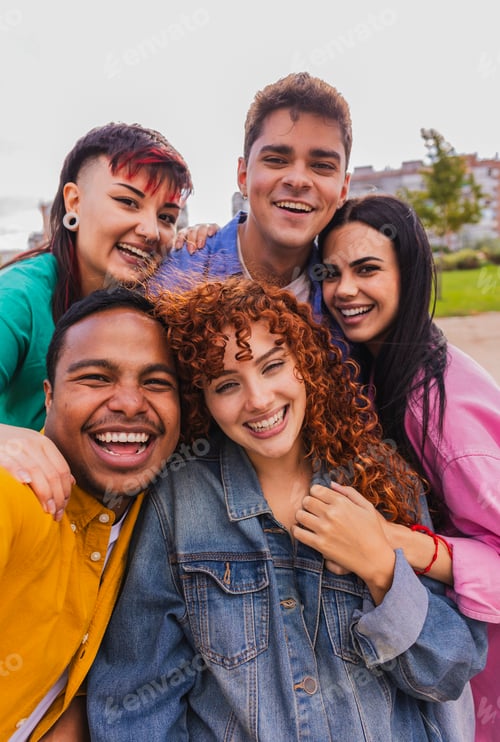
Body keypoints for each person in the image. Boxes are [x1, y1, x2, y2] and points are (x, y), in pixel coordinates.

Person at [88, 277, 486, 741]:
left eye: (272, 365)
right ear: (202, 399)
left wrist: (381, 570)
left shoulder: (380, 475)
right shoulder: (175, 504)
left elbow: (448, 671)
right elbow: (137, 701)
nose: (258, 400)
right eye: (226, 384)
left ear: (306, 364)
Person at [317, 193, 500, 742]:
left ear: (410, 274)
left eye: (367, 269)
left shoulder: (443, 416)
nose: (344, 289)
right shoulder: (385, 368)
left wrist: (399, 543)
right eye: (331, 272)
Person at [0, 287, 180, 741]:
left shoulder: (153, 511)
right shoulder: (14, 494)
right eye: (97, 378)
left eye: (157, 383)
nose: (129, 403)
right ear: (49, 396)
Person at [0, 121, 192, 514]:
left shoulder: (154, 305)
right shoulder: (18, 298)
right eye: (128, 202)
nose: (150, 229)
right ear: (74, 202)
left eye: (168, 217)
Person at [151, 72, 351, 341]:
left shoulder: (348, 302)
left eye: (322, 166)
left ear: (343, 189)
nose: (297, 180)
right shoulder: (173, 280)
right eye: (276, 160)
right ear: (243, 176)